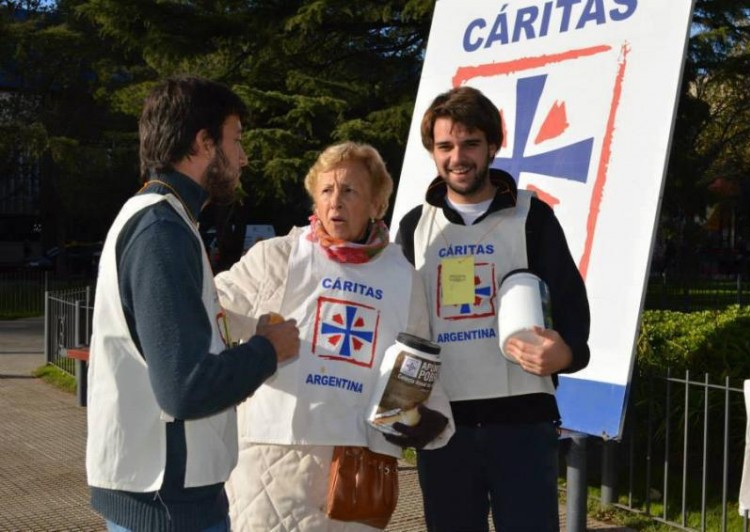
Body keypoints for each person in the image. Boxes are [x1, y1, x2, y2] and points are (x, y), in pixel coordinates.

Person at [86, 76, 300, 532]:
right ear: (204, 143)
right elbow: (186, 388)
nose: (243, 156)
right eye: (236, 140)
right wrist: (268, 350)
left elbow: (185, 336)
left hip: (166, 497)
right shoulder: (161, 232)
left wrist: (249, 331)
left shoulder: (168, 219)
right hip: (166, 505)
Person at [215, 141, 454, 531]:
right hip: (271, 465)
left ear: (377, 204)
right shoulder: (275, 258)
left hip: (353, 474)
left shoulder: (403, 278)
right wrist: (255, 338)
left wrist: (424, 417)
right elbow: (213, 310)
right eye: (326, 190)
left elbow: (418, 362)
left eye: (350, 190)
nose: (335, 201)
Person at [396, 86, 591, 531]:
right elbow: (402, 324)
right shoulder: (414, 227)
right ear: (432, 152)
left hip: (523, 424)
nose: (457, 157)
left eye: (470, 143)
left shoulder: (532, 217)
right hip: (444, 428)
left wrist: (567, 352)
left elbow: (570, 304)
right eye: (445, 146)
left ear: (492, 146)